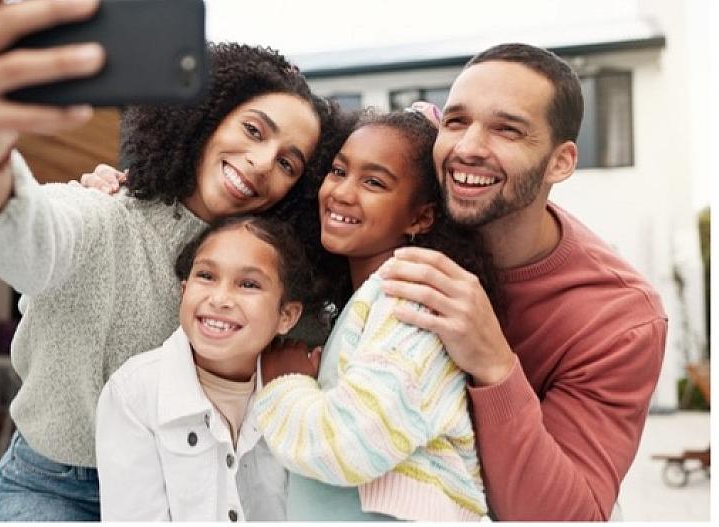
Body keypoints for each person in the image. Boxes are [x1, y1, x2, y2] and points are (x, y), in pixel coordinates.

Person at [0, 0, 345, 520]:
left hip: (190, 484)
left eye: (288, 163)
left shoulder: (274, 277)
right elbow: (8, 234)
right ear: (207, 118)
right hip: (56, 486)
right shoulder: (101, 216)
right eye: (254, 130)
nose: (262, 163)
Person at [378, 43, 667, 520]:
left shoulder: (620, 318)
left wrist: (493, 363)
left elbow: (563, 517)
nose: (467, 147)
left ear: (561, 162)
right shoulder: (398, 217)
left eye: (507, 129)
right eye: (455, 122)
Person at [254, 108, 497, 521]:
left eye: (373, 182)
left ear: (421, 217)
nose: (342, 192)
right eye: (338, 171)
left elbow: (347, 445)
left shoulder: (412, 299)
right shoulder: (371, 296)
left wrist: (283, 385)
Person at [96, 216, 325, 521]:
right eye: (206, 276)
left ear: (287, 315)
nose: (219, 299)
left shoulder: (296, 391)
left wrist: (290, 392)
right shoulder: (134, 394)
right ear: (184, 289)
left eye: (248, 284)